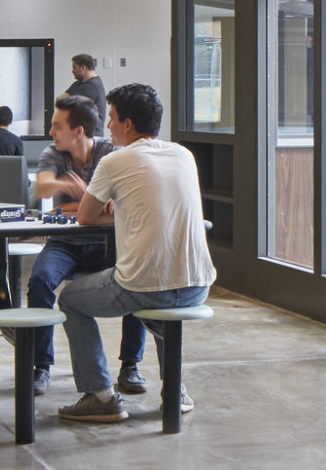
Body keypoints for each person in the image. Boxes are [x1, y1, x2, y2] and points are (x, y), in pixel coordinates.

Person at [55, 83, 215, 423]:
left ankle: (100, 396)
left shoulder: (115, 160)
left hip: (142, 286)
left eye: (111, 118)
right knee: (159, 299)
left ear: (128, 124)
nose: (107, 126)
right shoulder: (183, 154)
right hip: (199, 284)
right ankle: (176, 389)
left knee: (70, 299)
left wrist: (114, 207)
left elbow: (84, 216)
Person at [21, 95, 146, 397]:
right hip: (65, 243)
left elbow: (118, 205)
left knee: (138, 278)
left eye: (57, 126)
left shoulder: (111, 153)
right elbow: (41, 186)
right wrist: (73, 189)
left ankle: (130, 365)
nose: (51, 132)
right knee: (40, 281)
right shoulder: (53, 153)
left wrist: (71, 208)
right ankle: (41, 365)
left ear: (79, 130)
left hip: (109, 243)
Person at [62, 54, 107, 133]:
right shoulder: (78, 83)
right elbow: (60, 101)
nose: (72, 71)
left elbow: (71, 108)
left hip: (90, 135)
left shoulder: (91, 86)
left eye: (74, 68)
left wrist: (67, 101)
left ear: (83, 68)